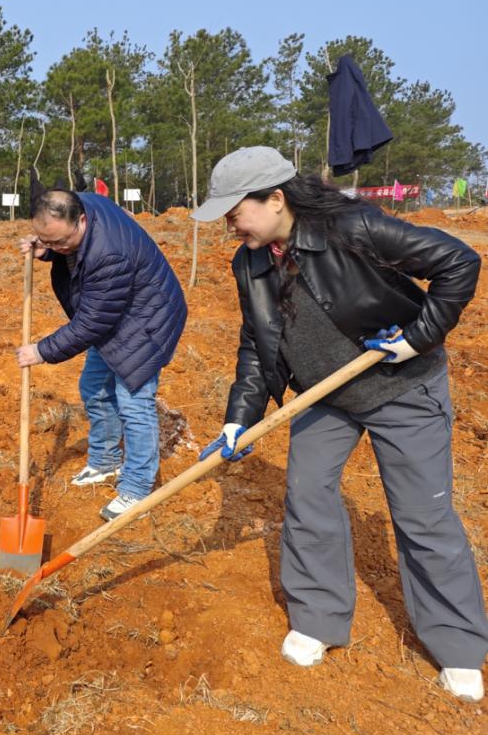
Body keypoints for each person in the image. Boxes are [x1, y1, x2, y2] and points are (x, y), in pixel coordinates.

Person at [193, 145, 488, 703]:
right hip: (324, 397)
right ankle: (319, 616)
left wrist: (417, 338)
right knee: (307, 497)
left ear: (275, 199)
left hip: (403, 386)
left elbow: (459, 261)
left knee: (422, 514)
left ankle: (455, 644)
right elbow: (258, 345)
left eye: (236, 213)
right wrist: (239, 419)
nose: (231, 227)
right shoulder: (250, 262)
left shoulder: (353, 227)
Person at [16, 184, 187, 520]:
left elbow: (91, 324)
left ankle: (137, 490)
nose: (57, 248)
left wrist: (42, 351)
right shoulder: (82, 206)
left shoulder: (109, 253)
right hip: (119, 315)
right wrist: (46, 249)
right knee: (93, 386)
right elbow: (67, 252)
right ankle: (106, 460)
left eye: (61, 242)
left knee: (133, 402)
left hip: (147, 321)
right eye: (47, 239)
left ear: (81, 220)